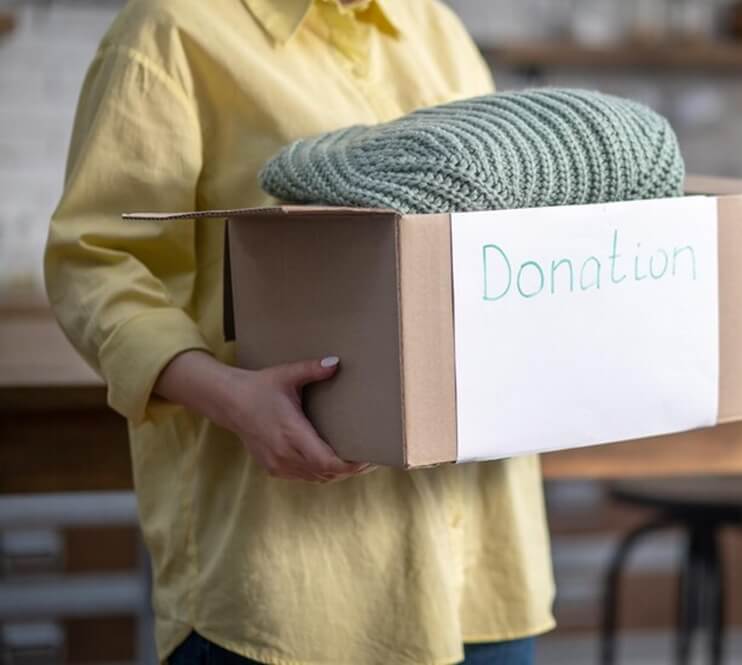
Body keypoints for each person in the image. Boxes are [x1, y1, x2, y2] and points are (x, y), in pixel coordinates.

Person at [44, 1, 555, 663]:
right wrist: (234, 396)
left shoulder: (436, 28)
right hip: (296, 590)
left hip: (487, 569)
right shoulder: (172, 31)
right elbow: (96, 260)